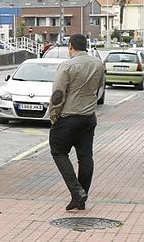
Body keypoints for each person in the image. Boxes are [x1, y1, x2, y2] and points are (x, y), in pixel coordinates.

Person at [49, 34, 105, 211]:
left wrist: (53, 116)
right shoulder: (97, 64)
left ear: (71, 46)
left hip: (68, 117)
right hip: (88, 118)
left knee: (58, 151)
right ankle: (81, 197)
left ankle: (76, 191)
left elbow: (58, 95)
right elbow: (99, 87)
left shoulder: (67, 66)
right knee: (85, 156)